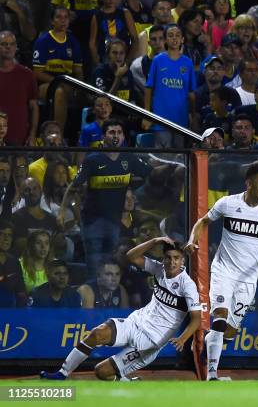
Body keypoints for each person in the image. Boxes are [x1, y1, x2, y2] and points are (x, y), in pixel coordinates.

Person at [40, 237, 201, 381]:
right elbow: (131, 256)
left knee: (101, 372)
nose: (172, 262)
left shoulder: (187, 286)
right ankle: (62, 373)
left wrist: (183, 338)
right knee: (96, 334)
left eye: (176, 258)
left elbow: (196, 318)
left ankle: (124, 379)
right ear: (163, 258)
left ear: (182, 261)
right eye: (168, 258)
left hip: (150, 341)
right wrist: (155, 241)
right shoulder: (159, 269)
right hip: (136, 322)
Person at [185, 163, 258, 380]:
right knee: (220, 317)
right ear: (249, 183)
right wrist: (192, 240)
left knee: (229, 331)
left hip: (248, 279)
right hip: (224, 271)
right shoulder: (228, 203)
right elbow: (203, 222)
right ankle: (212, 375)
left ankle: (212, 343)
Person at [60, 120, 173, 271]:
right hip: (93, 221)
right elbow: (73, 187)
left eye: (119, 132)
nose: (116, 136)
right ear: (103, 136)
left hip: (114, 221)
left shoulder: (129, 158)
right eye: (112, 132)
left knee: (110, 262)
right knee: (94, 263)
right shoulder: (92, 160)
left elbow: (151, 173)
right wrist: (62, 212)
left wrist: (174, 164)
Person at [144, 24, 197, 148]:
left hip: (181, 120)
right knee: (163, 158)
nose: (174, 39)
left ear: (183, 39)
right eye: (170, 35)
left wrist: (193, 116)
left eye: (178, 35)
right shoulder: (157, 60)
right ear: (165, 39)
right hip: (160, 119)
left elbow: (191, 93)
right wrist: (146, 114)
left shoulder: (188, 63)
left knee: (179, 158)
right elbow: (149, 88)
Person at [33, 6, 84, 133]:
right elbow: (37, 73)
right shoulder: (43, 41)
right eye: (59, 17)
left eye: (66, 17)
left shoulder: (74, 42)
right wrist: (59, 82)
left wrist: (80, 87)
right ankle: (57, 136)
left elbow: (78, 72)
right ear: (52, 21)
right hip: (45, 84)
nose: (63, 21)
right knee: (59, 92)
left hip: (68, 82)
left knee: (87, 95)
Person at [0, 30, 38, 146]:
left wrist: (32, 135)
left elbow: (34, 107)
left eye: (12, 44)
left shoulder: (26, 74)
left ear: (16, 47)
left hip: (19, 138)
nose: (8, 47)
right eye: (4, 44)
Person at [89, 0, 138, 66]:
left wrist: (128, 61)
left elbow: (135, 39)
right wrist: (97, 63)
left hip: (123, 56)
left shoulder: (125, 13)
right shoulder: (97, 16)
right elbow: (92, 43)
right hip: (104, 58)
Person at [0, 220, 26, 307]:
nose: (6, 239)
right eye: (2, 234)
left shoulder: (14, 262)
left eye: (9, 235)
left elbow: (21, 292)